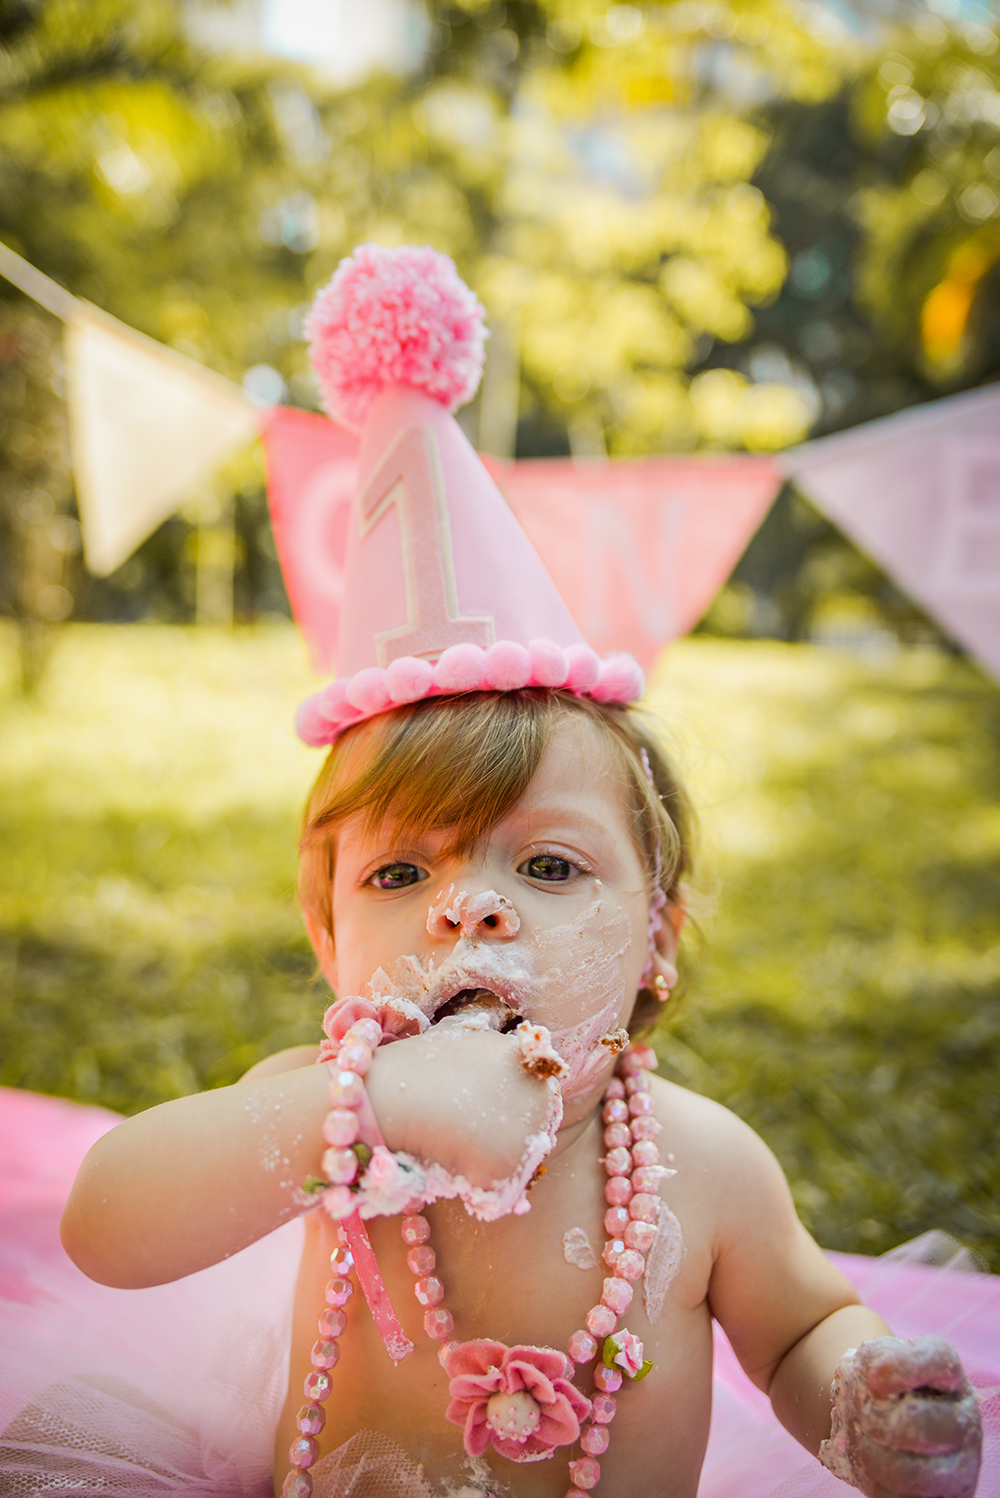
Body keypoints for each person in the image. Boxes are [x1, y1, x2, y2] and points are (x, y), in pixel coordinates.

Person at [2, 246, 995, 1498]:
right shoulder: (314, 1108)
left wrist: (857, 1397)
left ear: (658, 940)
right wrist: (365, 1105)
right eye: (402, 871)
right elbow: (107, 1226)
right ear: (326, 936)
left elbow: (798, 1329)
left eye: (548, 864)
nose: (469, 906)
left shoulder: (701, 1164)